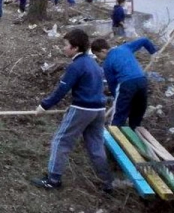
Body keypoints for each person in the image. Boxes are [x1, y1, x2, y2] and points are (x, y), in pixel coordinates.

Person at [32, 29, 113, 193]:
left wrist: (44, 106)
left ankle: (53, 179)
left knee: (61, 141)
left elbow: (61, 90)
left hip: (83, 109)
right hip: (99, 110)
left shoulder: (76, 66)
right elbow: (96, 88)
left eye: (66, 45)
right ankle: (107, 182)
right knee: (96, 145)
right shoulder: (94, 63)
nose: (63, 48)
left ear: (75, 48)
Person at [90, 37, 158, 129]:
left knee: (119, 113)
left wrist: (117, 99)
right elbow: (144, 40)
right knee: (138, 110)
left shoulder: (107, 63)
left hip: (126, 84)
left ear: (103, 51)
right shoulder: (124, 47)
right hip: (142, 81)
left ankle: (115, 134)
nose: (99, 59)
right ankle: (134, 130)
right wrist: (153, 52)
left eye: (98, 55)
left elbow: (112, 84)